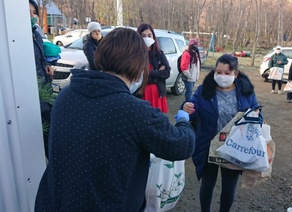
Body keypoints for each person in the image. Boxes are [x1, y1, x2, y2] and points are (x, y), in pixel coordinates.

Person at [34, 28, 196, 211]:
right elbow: (182, 145)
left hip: (55, 202)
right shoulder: (134, 111)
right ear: (138, 65)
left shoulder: (67, 95)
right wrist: (183, 119)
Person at [181, 54, 261, 212]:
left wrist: (257, 118)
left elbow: (256, 112)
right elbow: (192, 109)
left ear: (235, 74)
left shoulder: (246, 92)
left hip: (234, 148)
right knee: (207, 184)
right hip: (209, 145)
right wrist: (187, 108)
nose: (222, 76)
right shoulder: (205, 90)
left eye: (227, 73)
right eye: (218, 72)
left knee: (229, 187)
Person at [29, 0, 55, 158]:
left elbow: (40, 57)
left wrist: (46, 64)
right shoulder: (15, 38)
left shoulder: (35, 33)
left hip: (45, 88)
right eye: (28, 13)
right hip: (34, 93)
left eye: (34, 13)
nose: (32, 16)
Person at [137, 23, 170, 113]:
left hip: (158, 93)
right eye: (143, 36)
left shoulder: (159, 54)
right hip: (142, 94)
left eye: (149, 35)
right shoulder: (135, 55)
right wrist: (157, 73)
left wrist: (149, 73)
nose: (147, 38)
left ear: (153, 37)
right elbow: (136, 75)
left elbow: (166, 73)